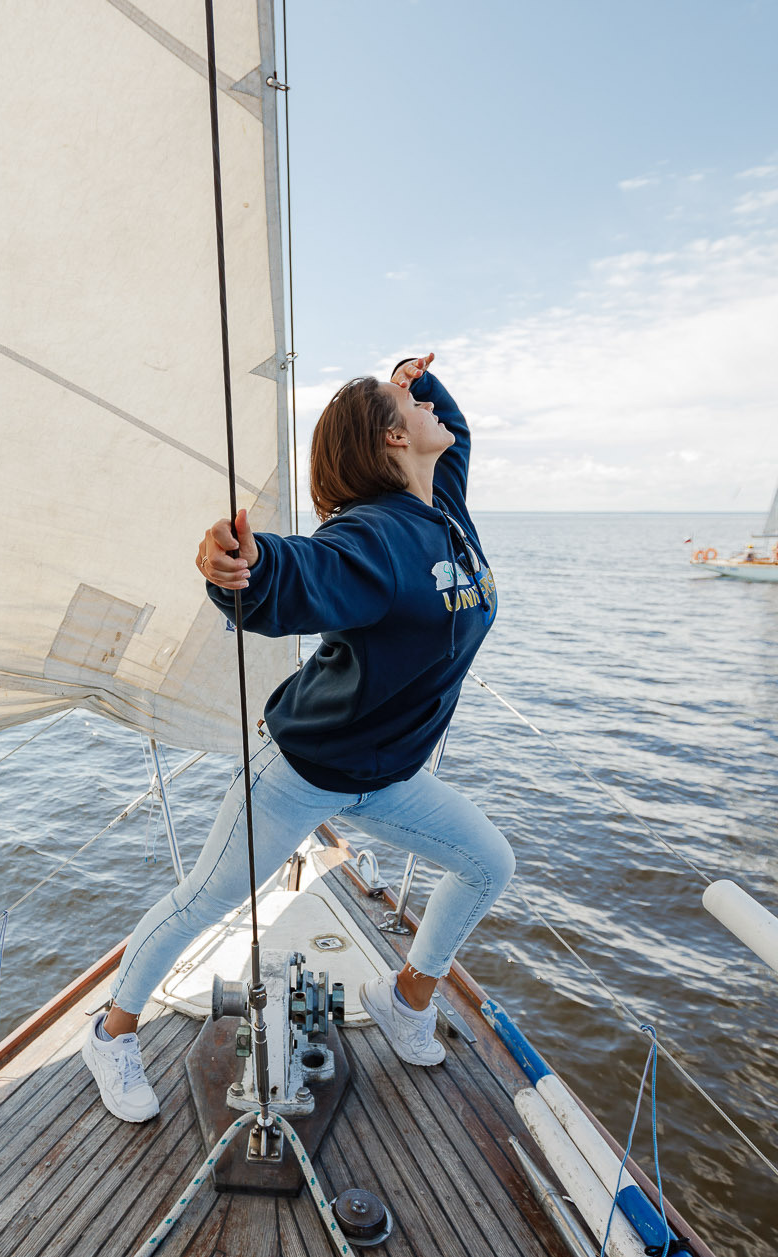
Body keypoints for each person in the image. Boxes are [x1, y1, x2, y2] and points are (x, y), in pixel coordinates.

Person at [81, 353, 514, 1122]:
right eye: (410, 407)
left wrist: (416, 383)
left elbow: (459, 434)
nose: (432, 415)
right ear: (391, 439)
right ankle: (111, 1032)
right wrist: (242, 564)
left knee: (488, 864)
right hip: (304, 770)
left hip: (390, 774)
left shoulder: (445, 506)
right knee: (205, 898)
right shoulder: (375, 539)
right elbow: (305, 570)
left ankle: (405, 998)